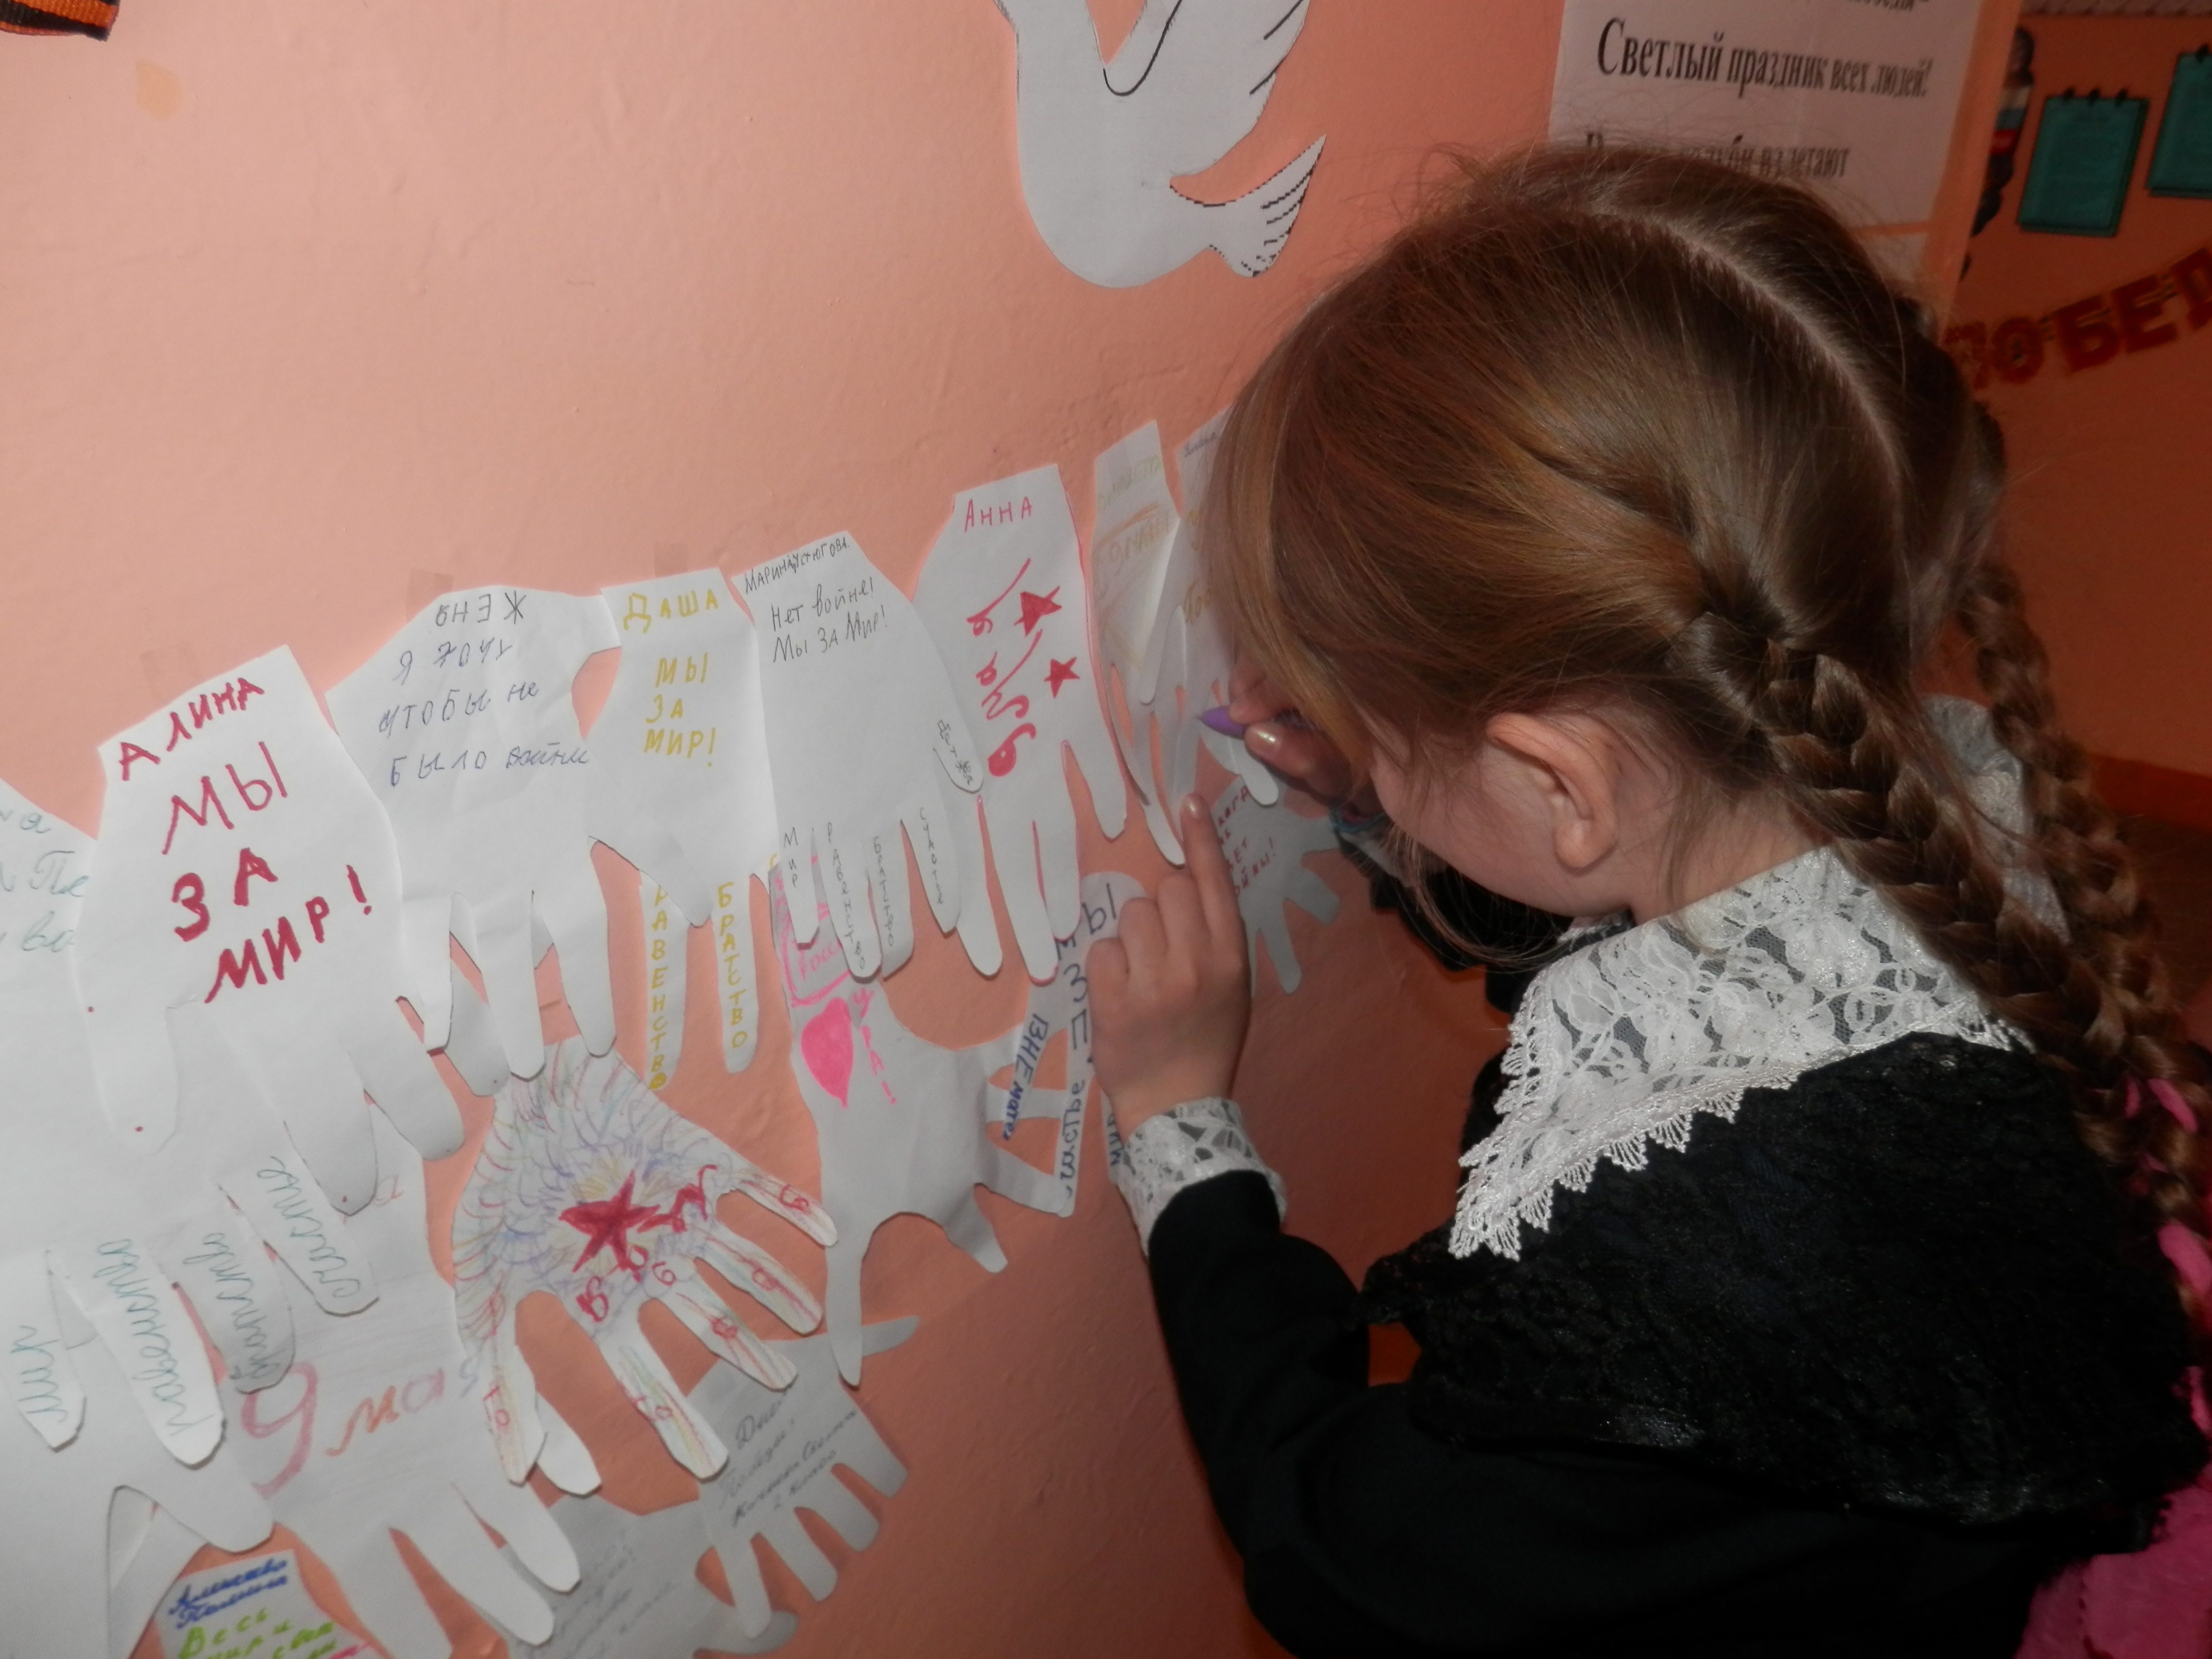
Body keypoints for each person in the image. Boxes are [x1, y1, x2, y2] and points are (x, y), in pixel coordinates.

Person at [1086, 147, 2212, 1658]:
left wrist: (1184, 1136)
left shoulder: (1687, 1299)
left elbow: (1353, 1551)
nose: (1360, 754)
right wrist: (1384, 789)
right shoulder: (1945, 829)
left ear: (1559, 782)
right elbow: (1652, 922)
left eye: (1371, 725)